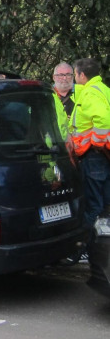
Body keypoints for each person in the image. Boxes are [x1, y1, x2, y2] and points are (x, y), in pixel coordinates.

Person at [68, 58, 110, 230]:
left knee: (94, 205)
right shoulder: (103, 89)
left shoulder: (90, 93)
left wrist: (98, 143)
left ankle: (83, 246)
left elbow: (103, 119)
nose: (74, 78)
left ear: (82, 75)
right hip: (102, 155)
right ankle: (100, 247)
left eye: (75, 74)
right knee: (105, 203)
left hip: (93, 154)